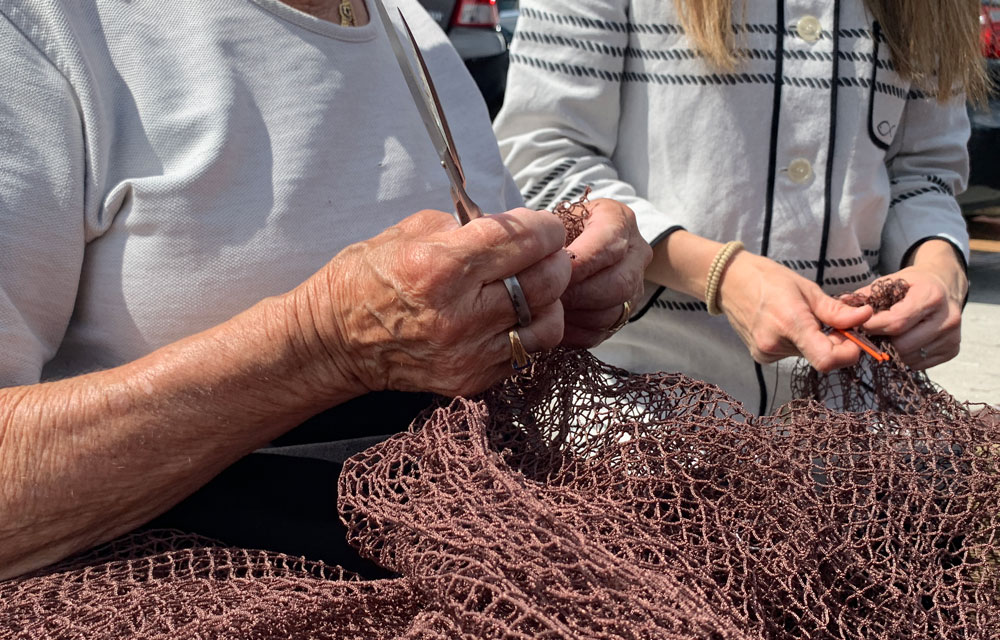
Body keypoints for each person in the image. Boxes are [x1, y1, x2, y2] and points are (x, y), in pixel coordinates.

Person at [0, 0, 652, 579]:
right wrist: (324, 344)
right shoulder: (49, 28)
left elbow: (472, 296)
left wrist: (562, 276)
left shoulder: (413, 33)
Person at [493, 0, 982, 415]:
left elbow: (924, 172)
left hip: (856, 430)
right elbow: (543, 159)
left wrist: (939, 271)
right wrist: (720, 276)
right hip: (639, 410)